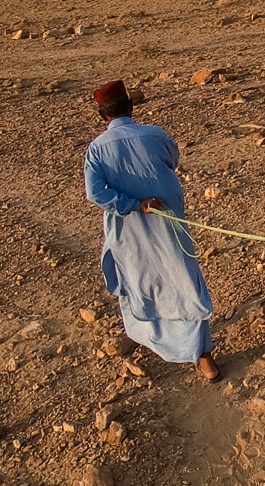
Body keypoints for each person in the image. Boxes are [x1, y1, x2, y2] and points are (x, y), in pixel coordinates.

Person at [83, 78, 217, 382]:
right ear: (131, 106)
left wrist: (129, 203)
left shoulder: (96, 150)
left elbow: (96, 194)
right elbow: (172, 159)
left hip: (127, 233)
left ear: (103, 116)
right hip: (168, 226)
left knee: (141, 284)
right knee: (184, 283)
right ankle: (203, 357)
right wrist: (140, 202)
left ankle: (165, 342)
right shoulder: (154, 135)